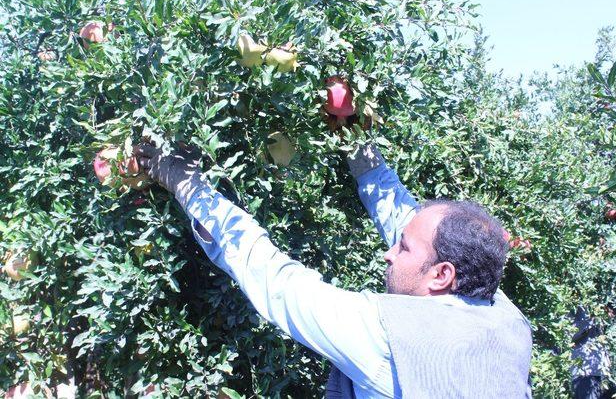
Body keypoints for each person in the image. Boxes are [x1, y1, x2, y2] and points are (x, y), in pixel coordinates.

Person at [134, 134, 533, 398]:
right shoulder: (506, 318)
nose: (389, 253)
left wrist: (189, 188)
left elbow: (274, 278)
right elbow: (413, 225)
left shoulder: (386, 337)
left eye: (403, 249)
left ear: (442, 275)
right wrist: (361, 150)